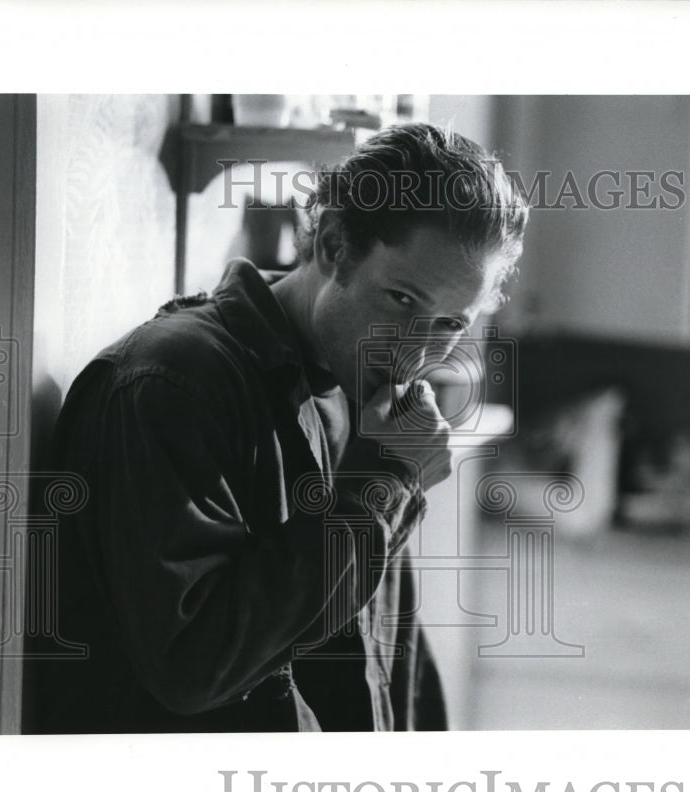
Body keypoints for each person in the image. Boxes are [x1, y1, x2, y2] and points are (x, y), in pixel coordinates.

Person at [29, 123, 529, 733]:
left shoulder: (361, 397)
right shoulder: (174, 381)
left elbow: (381, 658)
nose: (417, 349)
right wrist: (385, 483)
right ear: (332, 245)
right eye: (402, 300)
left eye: (451, 323)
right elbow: (193, 666)